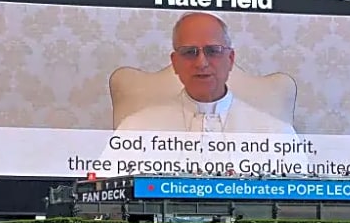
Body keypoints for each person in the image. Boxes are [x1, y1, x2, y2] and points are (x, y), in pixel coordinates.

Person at [115, 12, 298, 135]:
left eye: (213, 51)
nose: (201, 63)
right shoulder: (135, 129)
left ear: (231, 59)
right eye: (189, 52)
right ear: (175, 63)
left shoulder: (276, 133)